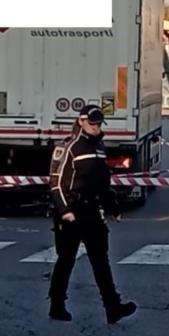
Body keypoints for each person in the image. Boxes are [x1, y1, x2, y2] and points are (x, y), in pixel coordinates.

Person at [47, 104, 137, 324]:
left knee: (101, 261)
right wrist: (65, 210)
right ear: (81, 121)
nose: (96, 127)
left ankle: (112, 308)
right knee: (66, 260)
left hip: (92, 211)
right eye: (92, 123)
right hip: (72, 210)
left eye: (98, 124)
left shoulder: (99, 147)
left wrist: (112, 207)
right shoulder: (69, 147)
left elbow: (102, 183)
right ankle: (57, 305)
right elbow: (56, 183)